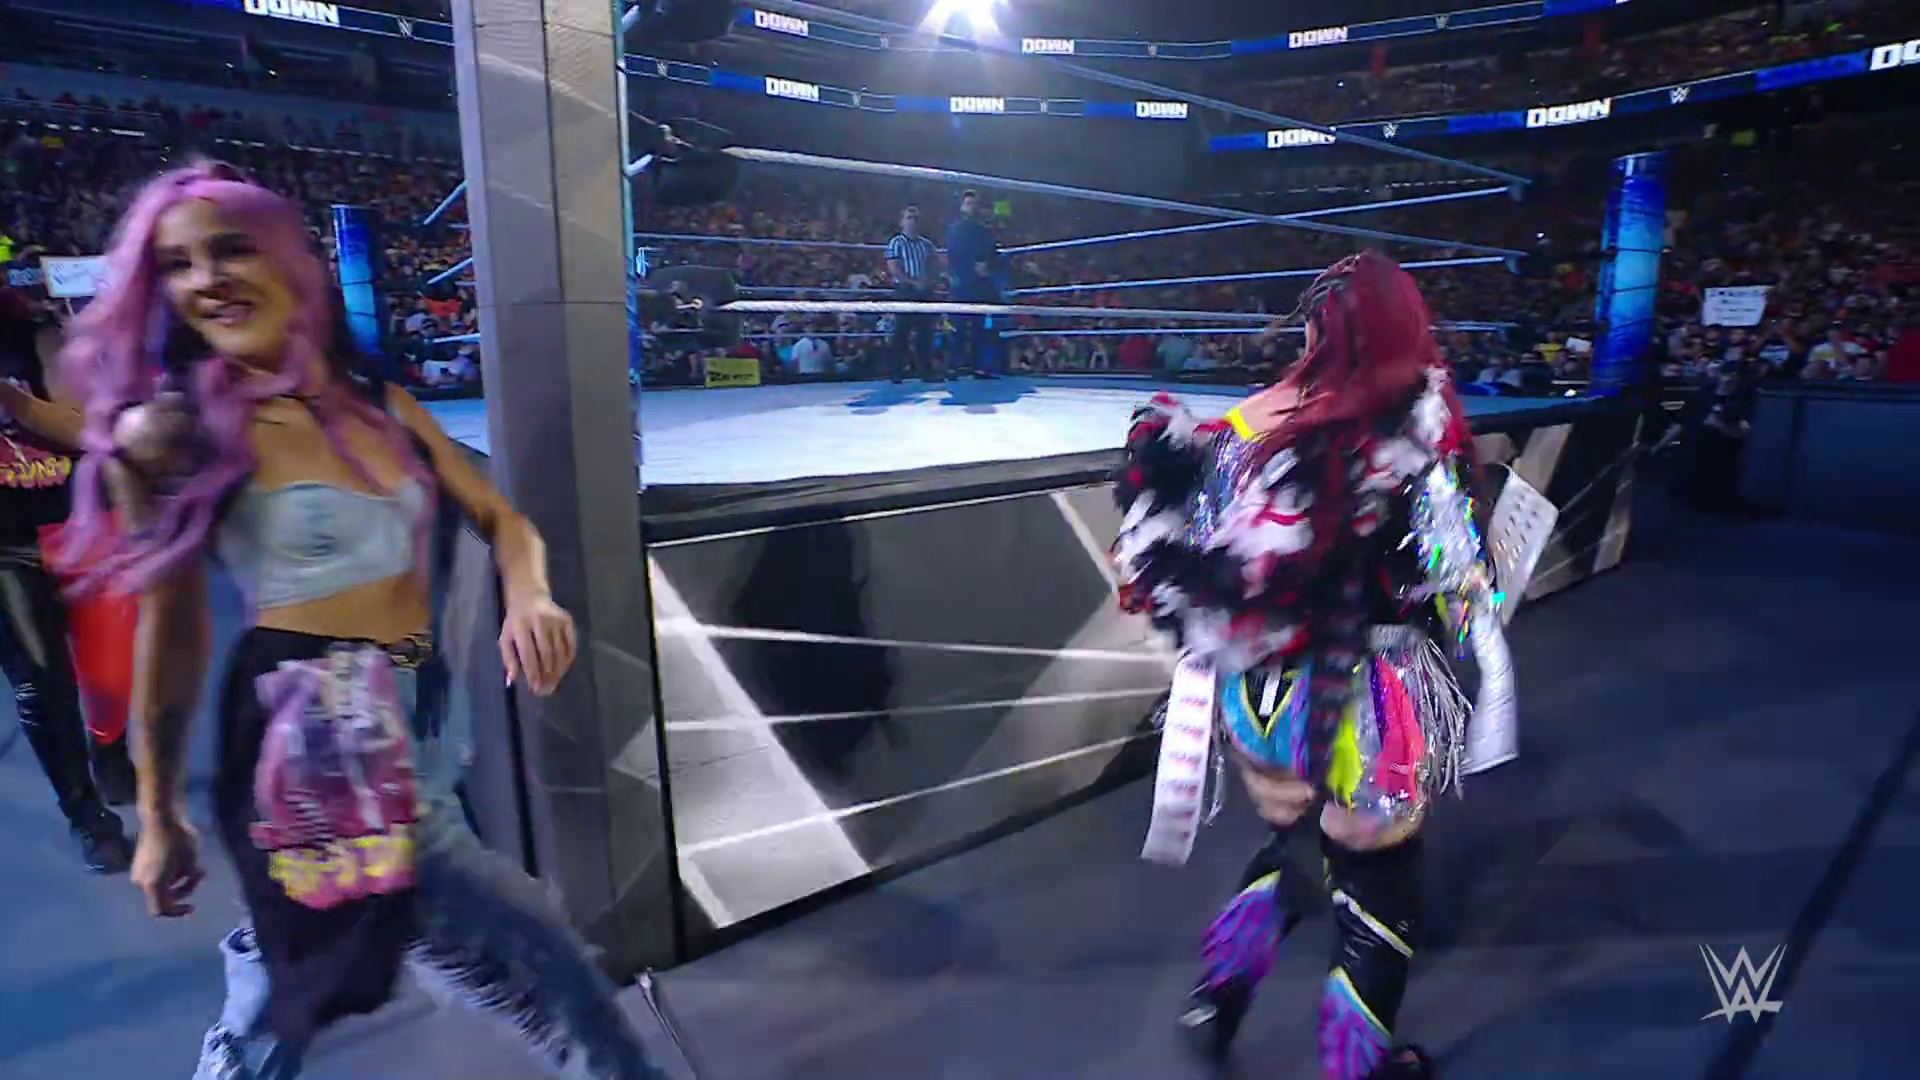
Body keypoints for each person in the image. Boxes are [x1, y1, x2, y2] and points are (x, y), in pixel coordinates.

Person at [61, 161, 665, 1080]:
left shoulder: (373, 405)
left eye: (231, 250)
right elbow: (168, 632)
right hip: (319, 732)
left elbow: (501, 519)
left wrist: (530, 592)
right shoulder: (172, 433)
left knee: (296, 968)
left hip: (422, 717)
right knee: (541, 966)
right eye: (178, 265)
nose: (208, 279)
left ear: (289, 261)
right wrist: (156, 813)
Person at [1112, 252, 1516, 1080]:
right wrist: (1480, 584)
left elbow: (1194, 573)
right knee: (1377, 875)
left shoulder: (1241, 425)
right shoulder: (1406, 425)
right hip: (1363, 697)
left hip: (1254, 696)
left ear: (1313, 332)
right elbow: (1457, 575)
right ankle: (1354, 1066)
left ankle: (1214, 1001)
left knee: (1297, 840)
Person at [0, 288, 136, 872]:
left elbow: (86, 431)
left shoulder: (36, 333)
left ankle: (109, 746)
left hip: (84, 527)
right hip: (6, 548)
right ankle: (87, 818)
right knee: (40, 685)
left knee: (109, 677)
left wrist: (11, 398)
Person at [945, 189, 1001, 379]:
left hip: (980, 284)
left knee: (979, 327)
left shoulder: (986, 231)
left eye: (975, 204)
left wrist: (987, 267)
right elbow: (953, 255)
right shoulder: (955, 229)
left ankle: (978, 366)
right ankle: (953, 366)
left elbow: (994, 254)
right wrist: (972, 267)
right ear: (962, 206)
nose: (972, 207)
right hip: (962, 282)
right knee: (958, 327)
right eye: (969, 203)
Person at [885, 204, 938, 383]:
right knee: (901, 333)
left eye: (916, 218)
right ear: (901, 221)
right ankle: (896, 372)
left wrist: (928, 281)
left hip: (925, 291)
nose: (913, 221)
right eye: (909, 218)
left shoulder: (926, 244)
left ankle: (926, 371)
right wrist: (914, 282)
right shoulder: (896, 243)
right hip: (905, 291)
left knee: (926, 333)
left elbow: (934, 265)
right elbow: (894, 268)